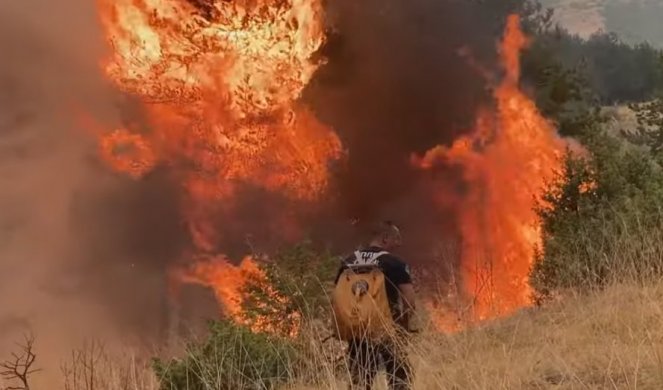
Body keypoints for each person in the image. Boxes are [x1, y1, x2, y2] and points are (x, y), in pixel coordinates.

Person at [334, 221, 416, 390]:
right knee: (399, 378)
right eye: (396, 239)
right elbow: (409, 301)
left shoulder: (348, 261)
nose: (399, 244)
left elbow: (337, 296)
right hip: (388, 329)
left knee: (359, 380)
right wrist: (404, 327)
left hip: (357, 329)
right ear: (385, 238)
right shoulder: (394, 263)